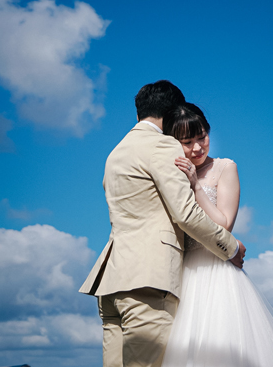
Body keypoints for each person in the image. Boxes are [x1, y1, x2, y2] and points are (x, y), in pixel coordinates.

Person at [80, 81, 247, 367]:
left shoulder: (117, 152)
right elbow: (185, 214)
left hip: (112, 282)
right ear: (172, 114)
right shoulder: (162, 145)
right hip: (148, 279)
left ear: (138, 114)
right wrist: (230, 248)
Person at [160, 102, 273, 367]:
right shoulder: (171, 173)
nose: (197, 148)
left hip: (217, 272)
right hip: (182, 273)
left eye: (202, 137)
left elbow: (224, 225)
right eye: (187, 142)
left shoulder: (225, 167)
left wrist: (196, 187)